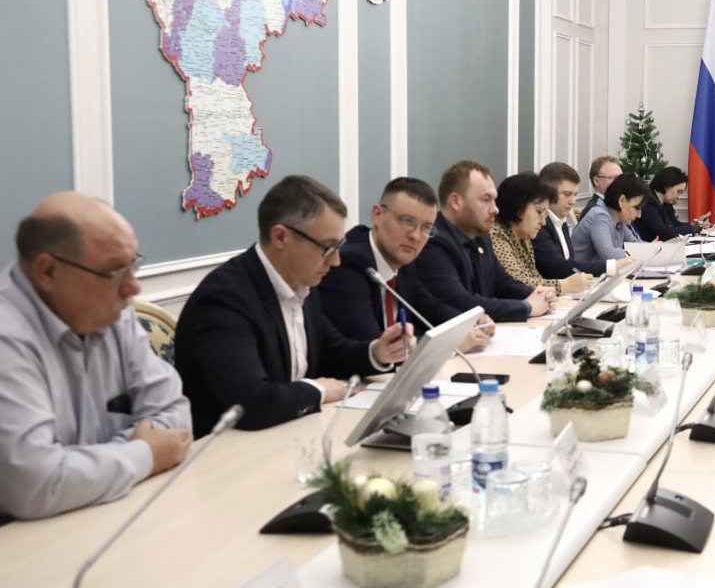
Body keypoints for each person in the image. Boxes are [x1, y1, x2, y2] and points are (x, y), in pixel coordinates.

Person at [175, 175, 416, 437]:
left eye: (339, 247)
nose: (336, 261)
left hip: (289, 431)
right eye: (328, 248)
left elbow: (332, 352)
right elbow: (251, 404)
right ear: (281, 237)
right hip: (227, 449)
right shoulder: (224, 300)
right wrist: (318, 391)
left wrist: (378, 352)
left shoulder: (302, 282)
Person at [0, 193, 192, 519]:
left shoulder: (114, 312)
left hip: (108, 511)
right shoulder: (8, 337)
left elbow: (175, 412)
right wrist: (143, 453)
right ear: (48, 272)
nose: (133, 288)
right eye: (114, 271)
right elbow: (34, 483)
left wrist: (82, 469)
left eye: (133, 265)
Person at [316, 177, 492, 352]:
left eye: (426, 228)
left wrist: (469, 322)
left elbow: (430, 308)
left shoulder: (403, 258)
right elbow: (374, 347)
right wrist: (449, 343)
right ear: (377, 215)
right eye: (407, 221)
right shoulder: (347, 264)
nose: (415, 236)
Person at [413, 161, 557, 322]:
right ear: (455, 202)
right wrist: (527, 307)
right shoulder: (432, 242)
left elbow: (503, 282)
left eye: (494, 200)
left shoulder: (480, 236)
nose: (495, 209)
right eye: (486, 199)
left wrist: (539, 295)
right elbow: (461, 303)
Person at [491, 173, 594, 295]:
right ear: (518, 209)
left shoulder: (523, 236)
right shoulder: (496, 236)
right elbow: (515, 285)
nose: (543, 222)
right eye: (539, 212)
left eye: (545, 214)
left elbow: (534, 278)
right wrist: (565, 285)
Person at [532, 162, 631, 279]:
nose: (573, 201)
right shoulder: (540, 225)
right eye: (567, 194)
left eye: (575, 195)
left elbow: (568, 265)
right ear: (547, 194)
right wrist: (611, 266)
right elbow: (557, 268)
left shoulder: (561, 222)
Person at [572, 173, 648, 261]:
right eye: (636, 208)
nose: (639, 215)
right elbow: (609, 255)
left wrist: (656, 249)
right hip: (580, 269)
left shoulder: (619, 219)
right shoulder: (600, 216)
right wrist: (638, 253)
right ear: (622, 200)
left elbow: (636, 244)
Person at [633, 166, 695, 241]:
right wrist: (692, 228)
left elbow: (675, 224)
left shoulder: (666, 203)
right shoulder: (648, 202)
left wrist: (694, 224)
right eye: (678, 191)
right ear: (667, 186)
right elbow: (663, 233)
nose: (678, 197)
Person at [579, 156, 622, 220]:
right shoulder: (596, 212)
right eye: (615, 178)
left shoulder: (615, 205)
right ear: (597, 181)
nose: (621, 182)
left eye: (621, 178)